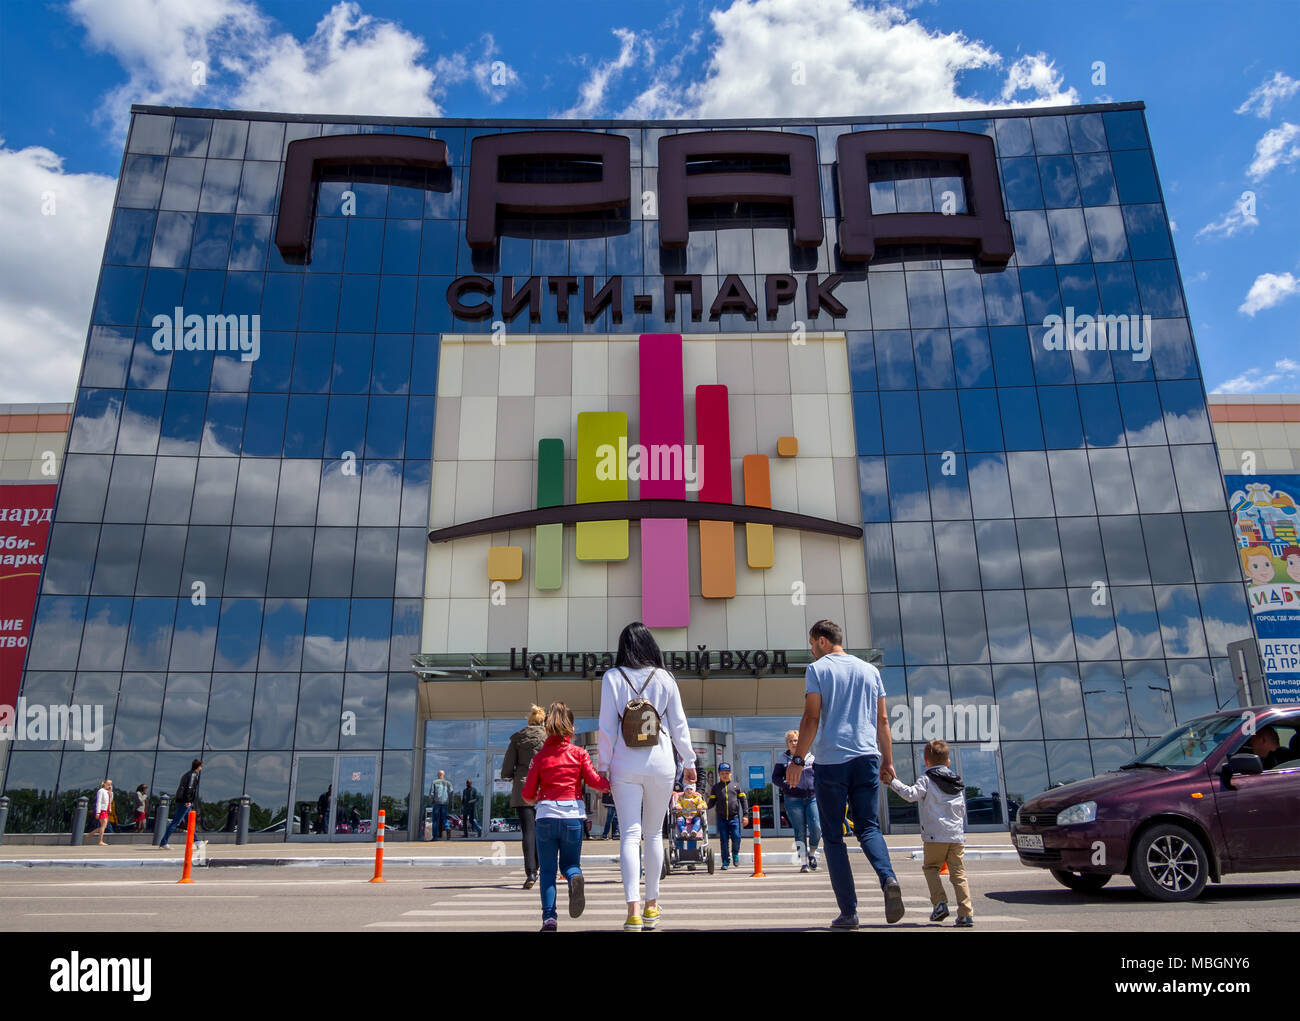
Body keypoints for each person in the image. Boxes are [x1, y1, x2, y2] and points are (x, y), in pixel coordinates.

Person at [786, 620, 904, 929]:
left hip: (832, 761)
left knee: (834, 838)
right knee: (868, 828)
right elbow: (883, 720)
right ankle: (888, 878)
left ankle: (849, 912)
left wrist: (798, 760)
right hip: (867, 757)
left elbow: (812, 717)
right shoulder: (870, 671)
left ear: (823, 642)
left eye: (812, 644)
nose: (811, 651)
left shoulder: (818, 670)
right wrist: (887, 761)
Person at [597, 621, 697, 931]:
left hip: (624, 762)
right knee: (654, 833)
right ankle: (653, 905)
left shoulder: (612, 677)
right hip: (660, 760)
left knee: (629, 834)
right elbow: (679, 724)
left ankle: (633, 911)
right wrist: (689, 759)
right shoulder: (665, 677)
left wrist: (603, 765)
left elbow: (606, 726)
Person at [521, 701, 610, 931]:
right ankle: (573, 878)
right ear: (571, 727)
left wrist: (537, 797)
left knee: (548, 872)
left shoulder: (540, 757)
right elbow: (594, 781)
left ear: (547, 727)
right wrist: (613, 784)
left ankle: (549, 919)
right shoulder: (579, 754)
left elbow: (528, 794)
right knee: (570, 864)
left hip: (546, 817)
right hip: (572, 816)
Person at [889, 739, 973, 927]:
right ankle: (966, 913)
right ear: (948, 762)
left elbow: (911, 795)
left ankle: (940, 903)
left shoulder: (926, 779)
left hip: (935, 836)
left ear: (926, 761)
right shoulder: (957, 782)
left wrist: (892, 782)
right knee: (958, 873)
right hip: (956, 836)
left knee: (931, 868)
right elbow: (962, 810)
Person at [502, 706, 546, 887]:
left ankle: (531, 873)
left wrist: (515, 777)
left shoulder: (517, 738)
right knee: (544, 832)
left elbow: (506, 769)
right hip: (545, 788)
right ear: (542, 721)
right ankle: (545, 867)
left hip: (523, 787)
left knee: (528, 831)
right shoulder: (548, 737)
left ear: (529, 720)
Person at [773, 729, 821, 872]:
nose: (794, 743)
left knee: (816, 827)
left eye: (796, 740)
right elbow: (775, 778)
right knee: (799, 831)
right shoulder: (782, 760)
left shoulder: (811, 758)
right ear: (787, 744)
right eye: (791, 741)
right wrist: (786, 785)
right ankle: (804, 862)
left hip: (812, 798)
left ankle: (812, 853)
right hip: (793, 800)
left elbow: (820, 776)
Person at [707, 763, 748, 870]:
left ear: (731, 773)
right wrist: (702, 807)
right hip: (721, 819)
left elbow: (744, 801)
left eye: (727, 773)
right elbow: (711, 802)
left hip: (734, 818)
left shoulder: (736, 786)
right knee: (724, 840)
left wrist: (745, 815)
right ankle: (725, 861)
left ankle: (735, 855)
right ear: (719, 774)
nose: (725, 775)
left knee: (736, 837)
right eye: (722, 773)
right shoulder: (716, 787)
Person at [159, 760, 203, 849]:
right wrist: (188, 801)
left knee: (190, 822)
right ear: (198, 766)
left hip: (182, 801)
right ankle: (164, 842)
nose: (201, 768)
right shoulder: (193, 775)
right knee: (175, 822)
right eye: (201, 766)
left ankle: (196, 841)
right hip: (185, 802)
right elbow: (190, 788)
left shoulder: (187, 774)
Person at [674, 783, 707, 850]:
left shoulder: (697, 798)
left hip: (694, 816)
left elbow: (704, 804)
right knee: (679, 820)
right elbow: (677, 803)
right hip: (684, 816)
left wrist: (700, 806)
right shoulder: (681, 798)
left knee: (698, 820)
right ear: (684, 790)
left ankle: (694, 831)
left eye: (691, 789)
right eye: (687, 789)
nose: (689, 791)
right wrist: (678, 806)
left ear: (694, 790)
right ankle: (683, 830)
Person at [427, 769, 452, 840]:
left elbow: (431, 793)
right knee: (444, 818)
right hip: (445, 803)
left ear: (438, 775)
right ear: (444, 775)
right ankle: (447, 827)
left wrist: (431, 801)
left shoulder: (434, 782)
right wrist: (447, 800)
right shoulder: (448, 783)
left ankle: (435, 837)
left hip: (436, 803)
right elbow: (451, 792)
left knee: (435, 820)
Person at [90, 780, 112, 846]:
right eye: (108, 784)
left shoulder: (108, 792)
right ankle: (100, 841)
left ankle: (89, 835)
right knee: (103, 826)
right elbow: (98, 802)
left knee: (103, 826)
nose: (109, 785)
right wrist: (98, 812)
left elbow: (110, 800)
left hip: (106, 810)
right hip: (102, 810)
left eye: (110, 784)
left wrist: (110, 792)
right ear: (104, 784)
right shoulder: (101, 791)